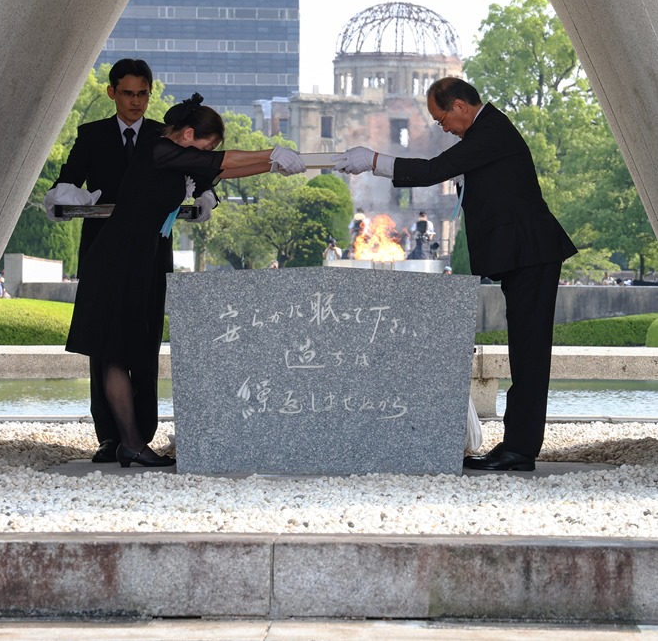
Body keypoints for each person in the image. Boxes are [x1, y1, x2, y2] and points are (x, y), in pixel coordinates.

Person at [333, 76, 577, 472]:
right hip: (526, 254)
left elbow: (433, 170)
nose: (441, 126)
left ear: (461, 106)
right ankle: (517, 444)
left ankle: (520, 449)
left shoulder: (491, 131)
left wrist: (374, 162)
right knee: (525, 350)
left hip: (532, 253)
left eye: (441, 117)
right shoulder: (486, 132)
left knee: (530, 354)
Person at [65, 92, 305, 468]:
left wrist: (270, 166)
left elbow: (221, 169)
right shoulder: (158, 150)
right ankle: (130, 442)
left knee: (121, 352)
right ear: (189, 134)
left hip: (134, 262)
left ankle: (130, 441)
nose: (208, 153)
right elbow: (218, 161)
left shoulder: (177, 160)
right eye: (206, 144)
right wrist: (271, 152)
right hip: (116, 262)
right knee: (113, 353)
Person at [43, 59, 214, 464]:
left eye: (142, 94)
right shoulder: (92, 136)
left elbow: (205, 171)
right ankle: (110, 437)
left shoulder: (165, 134)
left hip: (153, 253)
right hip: (104, 251)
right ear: (112, 93)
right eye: (127, 93)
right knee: (104, 347)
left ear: (150, 94)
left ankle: (141, 435)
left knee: (145, 342)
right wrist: (62, 198)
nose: (135, 102)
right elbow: (66, 181)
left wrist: (206, 197)